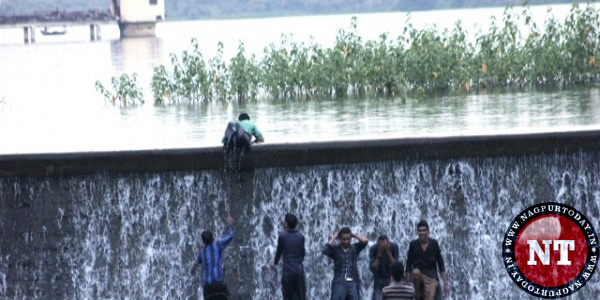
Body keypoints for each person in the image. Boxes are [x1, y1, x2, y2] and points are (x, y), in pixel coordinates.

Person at [192, 216, 235, 300]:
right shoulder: (217, 244)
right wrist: (230, 224)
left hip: (207, 289)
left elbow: (199, 260)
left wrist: (199, 248)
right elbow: (230, 236)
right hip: (218, 286)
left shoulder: (202, 253)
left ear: (203, 242)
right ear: (212, 238)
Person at [405, 220, 450, 300]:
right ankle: (417, 295)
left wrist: (446, 283)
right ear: (417, 232)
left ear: (428, 231)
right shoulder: (413, 244)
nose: (422, 233)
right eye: (420, 231)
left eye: (424, 230)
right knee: (415, 272)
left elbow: (441, 264)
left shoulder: (434, 244)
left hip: (432, 277)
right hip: (418, 275)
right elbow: (408, 264)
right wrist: (408, 282)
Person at [323, 227, 369, 300]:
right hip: (339, 281)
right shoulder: (335, 250)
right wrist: (335, 236)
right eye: (344, 239)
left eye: (348, 239)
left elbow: (365, 241)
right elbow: (325, 250)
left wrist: (353, 235)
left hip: (352, 281)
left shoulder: (354, 248)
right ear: (340, 239)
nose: (346, 241)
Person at [270, 213, 307, 300]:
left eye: (284, 220)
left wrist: (274, 262)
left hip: (288, 272)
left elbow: (279, 252)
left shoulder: (282, 236)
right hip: (299, 271)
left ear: (286, 224)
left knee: (288, 297)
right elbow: (302, 253)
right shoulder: (301, 237)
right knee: (300, 297)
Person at [369, 235, 399, 300]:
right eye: (380, 245)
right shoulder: (374, 248)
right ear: (377, 244)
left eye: (387, 244)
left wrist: (388, 252)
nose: (384, 246)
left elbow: (397, 268)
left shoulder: (394, 247)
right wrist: (379, 254)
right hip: (378, 278)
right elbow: (372, 269)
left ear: (389, 243)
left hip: (391, 278)